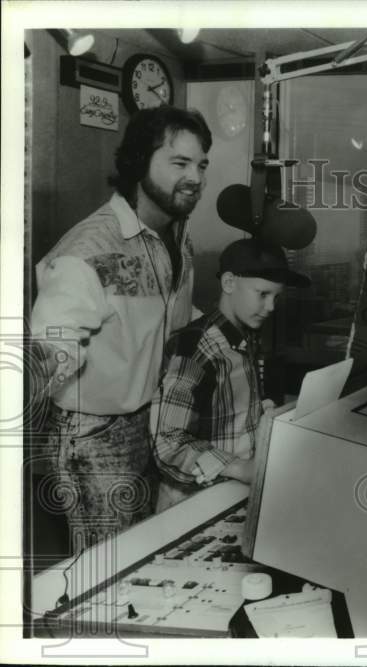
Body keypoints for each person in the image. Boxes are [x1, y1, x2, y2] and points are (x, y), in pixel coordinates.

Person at [30, 106, 212, 550]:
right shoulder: (86, 249)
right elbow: (53, 342)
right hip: (92, 433)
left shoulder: (177, 236)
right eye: (179, 163)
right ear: (138, 163)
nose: (196, 177)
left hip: (147, 419)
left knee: (147, 551)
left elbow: (172, 317)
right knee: (105, 570)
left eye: (202, 164)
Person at [150, 238, 310, 512]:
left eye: (276, 297)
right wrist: (242, 468)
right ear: (229, 283)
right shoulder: (197, 348)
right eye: (262, 294)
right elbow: (168, 441)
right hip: (189, 501)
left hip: (227, 489)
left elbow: (225, 411)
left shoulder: (242, 338)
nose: (271, 307)